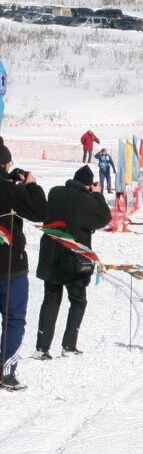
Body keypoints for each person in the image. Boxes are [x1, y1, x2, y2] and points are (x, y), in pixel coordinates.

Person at [34, 165, 112, 359]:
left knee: (51, 301)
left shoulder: (55, 192)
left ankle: (42, 348)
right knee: (78, 301)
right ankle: (69, 345)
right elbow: (104, 218)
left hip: (51, 257)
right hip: (74, 260)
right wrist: (98, 195)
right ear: (89, 184)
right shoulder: (87, 200)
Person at [0, 139, 48, 389]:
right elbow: (40, 211)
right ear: (5, 164)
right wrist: (30, 185)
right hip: (10, 267)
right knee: (14, 319)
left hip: (11, 265)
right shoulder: (9, 190)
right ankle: (6, 372)